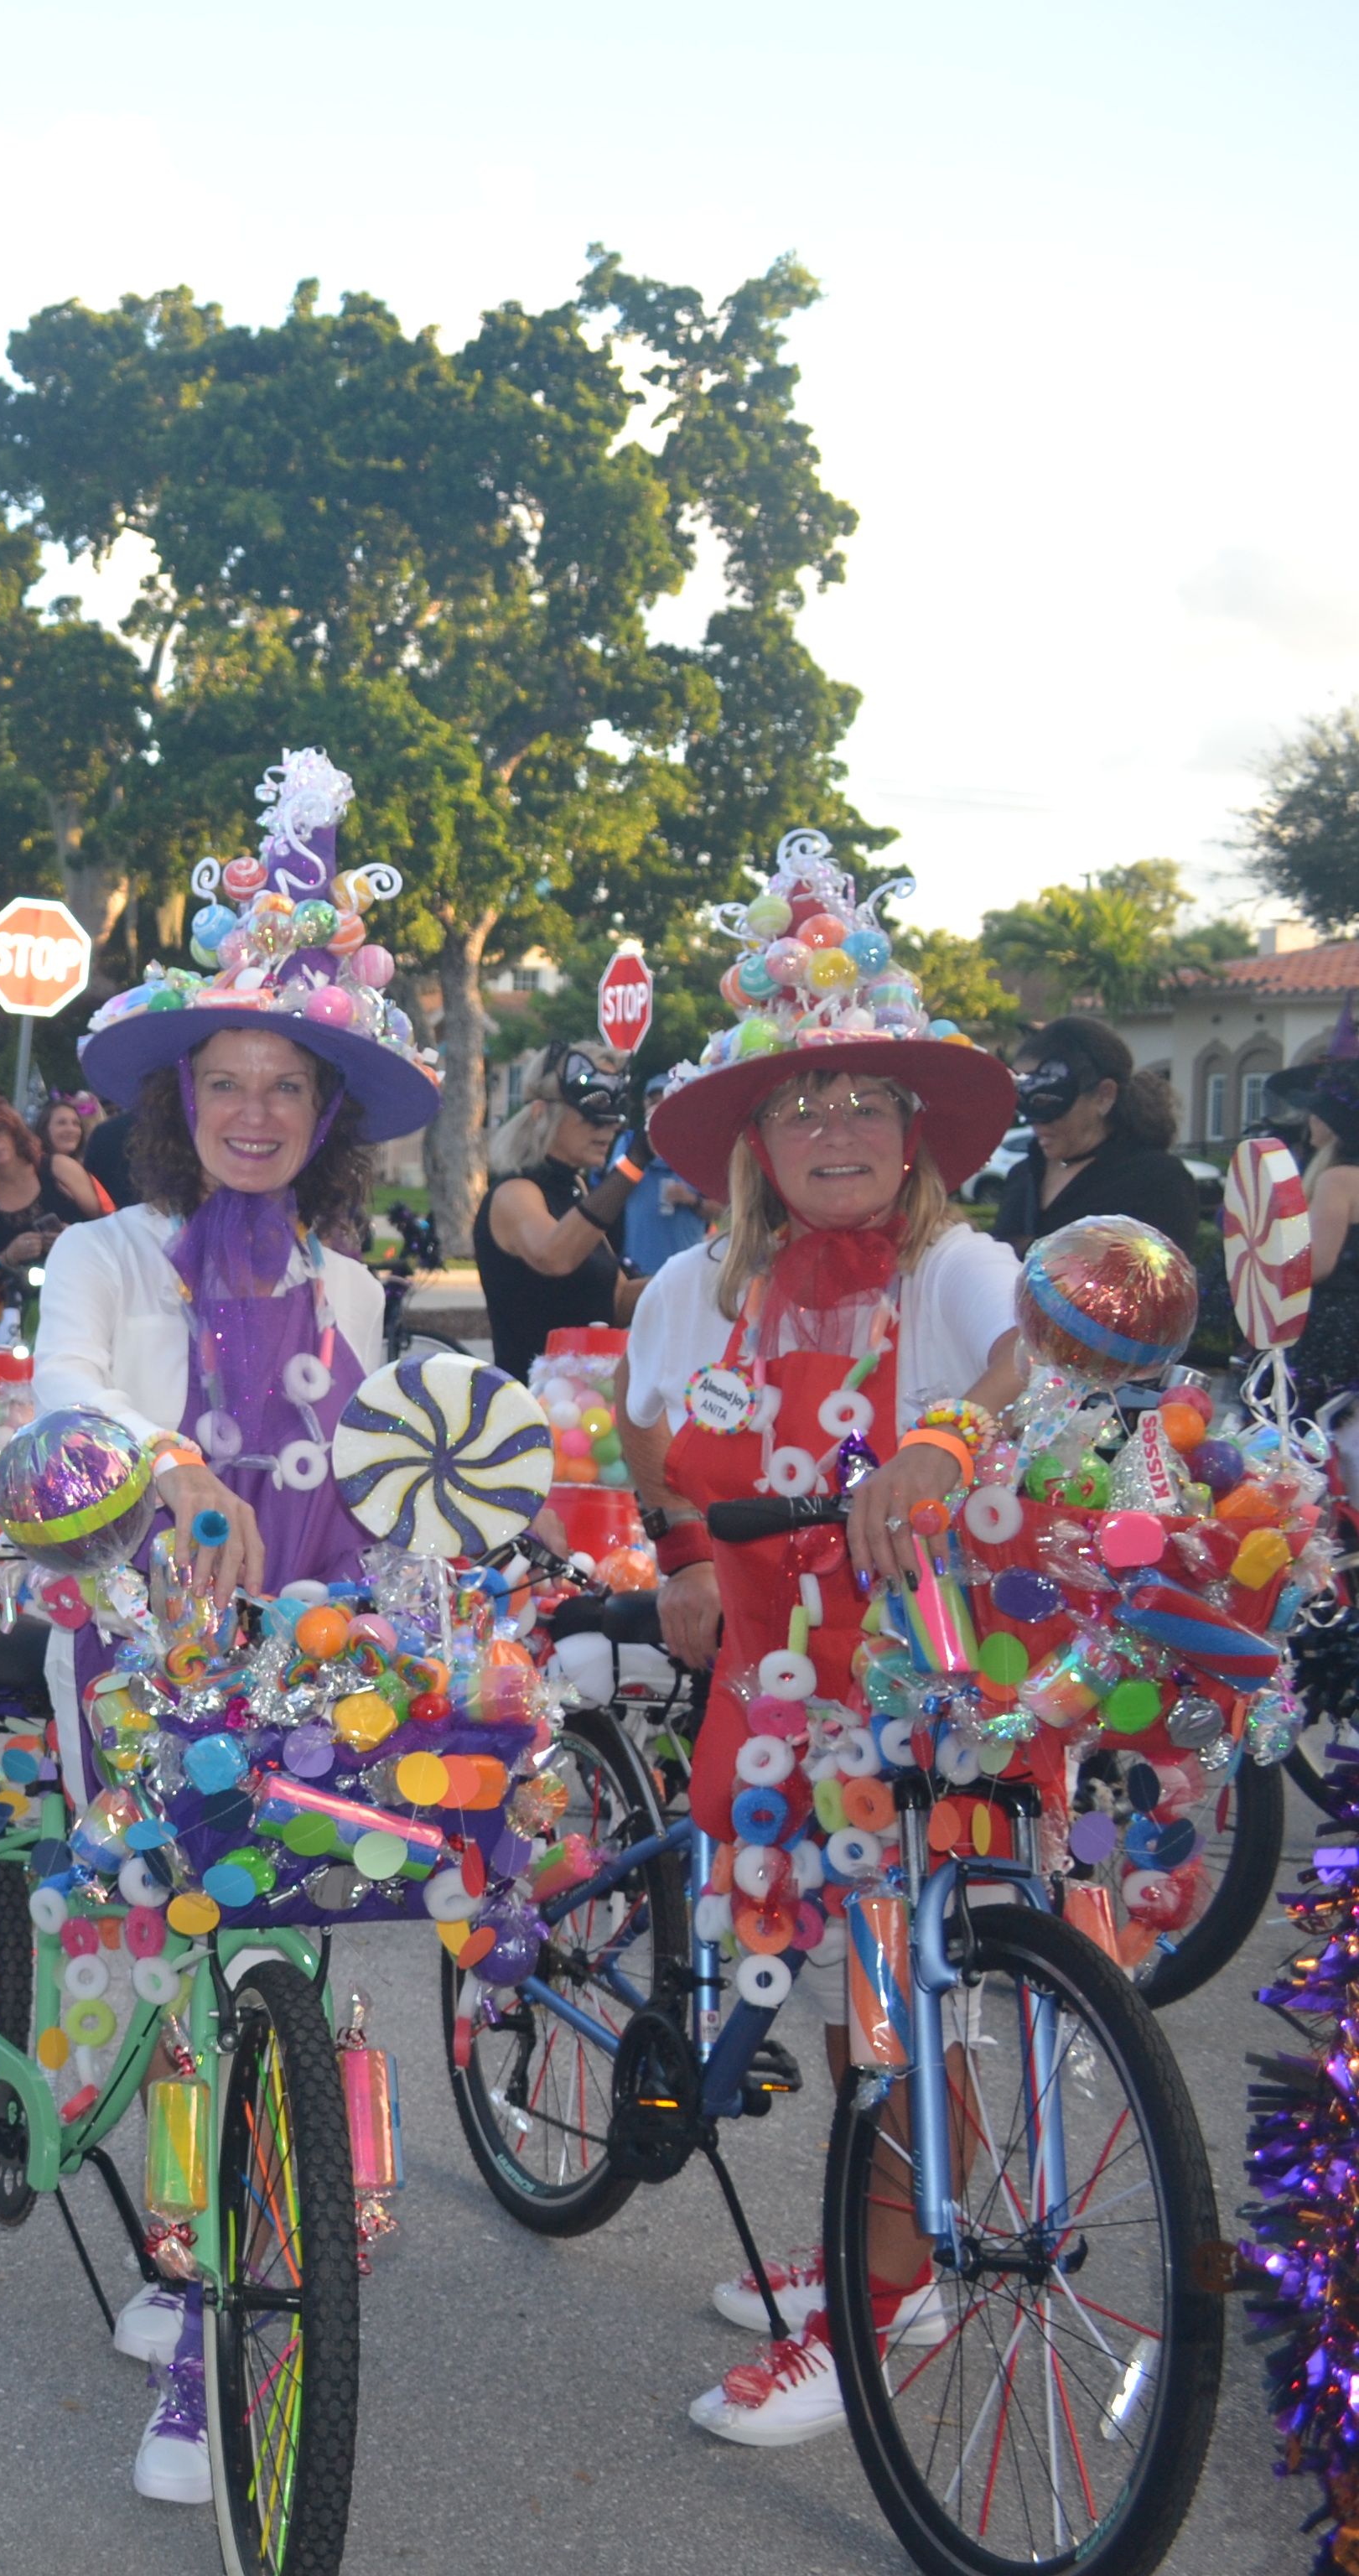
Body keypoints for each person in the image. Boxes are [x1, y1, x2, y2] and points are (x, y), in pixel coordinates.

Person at [32, 753, 443, 2507]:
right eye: (228, 1081)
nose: (256, 1112)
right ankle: (193, 2297)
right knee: (179, 1981)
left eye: (289, 1085)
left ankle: (234, 2292)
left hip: (313, 1671)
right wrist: (161, 1458)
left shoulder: (354, 1286)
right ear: (179, 1097)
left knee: (285, 1976)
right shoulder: (109, 1262)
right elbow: (60, 1410)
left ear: (327, 1112)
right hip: (139, 1661)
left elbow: (396, 1467)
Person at [619, 835, 1023, 2449]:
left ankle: (887, 2291)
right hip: (772, 1693)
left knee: (902, 1999)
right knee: (826, 1996)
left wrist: (937, 1440)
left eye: (865, 1102)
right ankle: (887, 2240)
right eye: (803, 1104)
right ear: (753, 1143)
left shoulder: (955, 1264)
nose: (834, 1129)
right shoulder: (698, 1290)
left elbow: (1025, 1365)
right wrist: (676, 1560)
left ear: (913, 1132)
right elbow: (647, 1441)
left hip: (922, 1686)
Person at [475, 1045, 649, 1384]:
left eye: (616, 1110)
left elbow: (615, 1300)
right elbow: (554, 1256)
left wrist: (701, 1270)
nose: (610, 1127)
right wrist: (634, 1164)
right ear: (542, 1112)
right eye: (595, 1110)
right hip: (528, 1409)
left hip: (587, 1411)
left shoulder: (578, 1192)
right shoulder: (514, 1194)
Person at [989, 1016, 1211, 1281]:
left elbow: (1158, 1289)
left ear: (1104, 1096)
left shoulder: (1155, 1180)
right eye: (1022, 1099)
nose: (1036, 1121)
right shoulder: (1022, 1177)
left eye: (1048, 1101)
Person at [0, 1091, 102, 1347]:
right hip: (19, 1318)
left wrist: (73, 1235)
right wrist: (9, 1256)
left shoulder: (59, 1169)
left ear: (14, 1132)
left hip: (85, 1296)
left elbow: (109, 1227)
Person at [1289, 1055, 1359, 1414]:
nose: (1310, 1120)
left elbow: (1316, 1265)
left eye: (1318, 1112)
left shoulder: (1339, 1180)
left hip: (1340, 1331)